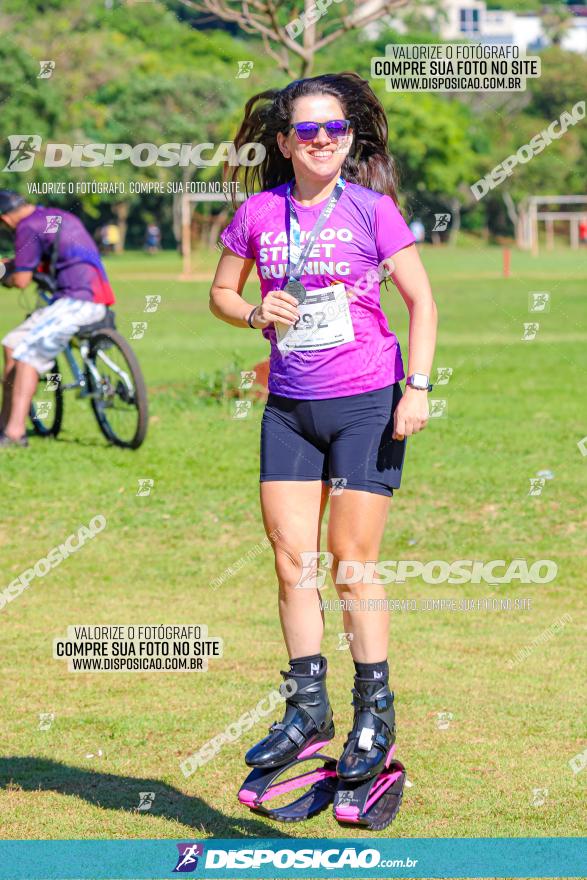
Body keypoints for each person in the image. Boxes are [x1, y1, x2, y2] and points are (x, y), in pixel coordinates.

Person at [210, 73, 437, 815]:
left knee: (350, 563)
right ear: (283, 142)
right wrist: (251, 312)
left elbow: (421, 302)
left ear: (349, 138)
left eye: (335, 130)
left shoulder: (373, 211)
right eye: (307, 131)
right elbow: (221, 292)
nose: (322, 141)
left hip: (368, 401)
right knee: (288, 560)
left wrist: (419, 388)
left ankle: (374, 711)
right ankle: (308, 705)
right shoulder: (257, 212)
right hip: (290, 408)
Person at [0, 191, 115, 447]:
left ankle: (15, 433)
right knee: (12, 344)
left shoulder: (26, 227)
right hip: (91, 295)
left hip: (77, 302)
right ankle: (4, 421)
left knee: (28, 354)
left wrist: (5, 278)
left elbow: (21, 280)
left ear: (5, 219)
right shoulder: (54, 216)